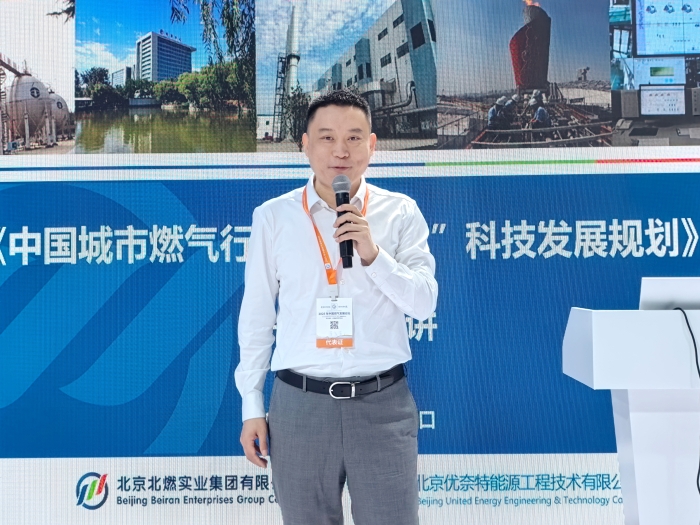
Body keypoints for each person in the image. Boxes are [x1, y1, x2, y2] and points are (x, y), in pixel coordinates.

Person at [235, 88, 438, 525]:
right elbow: (256, 316)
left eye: (353, 137)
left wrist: (373, 255)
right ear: (305, 145)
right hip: (300, 405)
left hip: (382, 405)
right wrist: (252, 404)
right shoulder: (273, 217)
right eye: (327, 137)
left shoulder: (400, 213)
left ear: (372, 145)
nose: (340, 151)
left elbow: (424, 302)